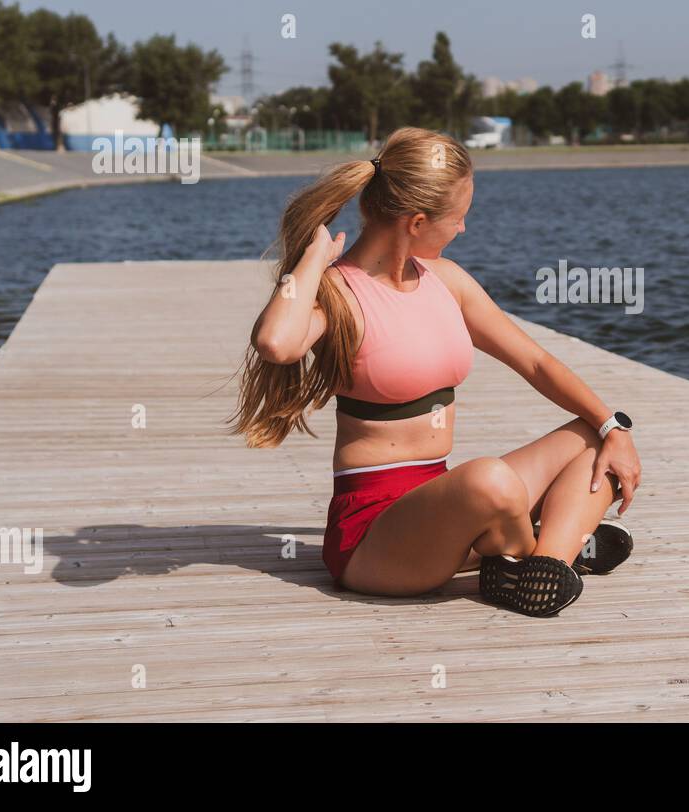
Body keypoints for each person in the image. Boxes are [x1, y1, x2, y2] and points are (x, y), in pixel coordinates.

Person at [231, 126, 641, 616]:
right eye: (459, 218)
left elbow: (535, 361)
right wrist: (314, 259)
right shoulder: (338, 293)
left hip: (444, 502)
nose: (463, 229)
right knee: (490, 479)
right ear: (418, 222)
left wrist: (612, 427)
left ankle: (543, 567)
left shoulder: (446, 281)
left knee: (595, 442)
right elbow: (275, 343)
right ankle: (555, 541)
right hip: (374, 539)